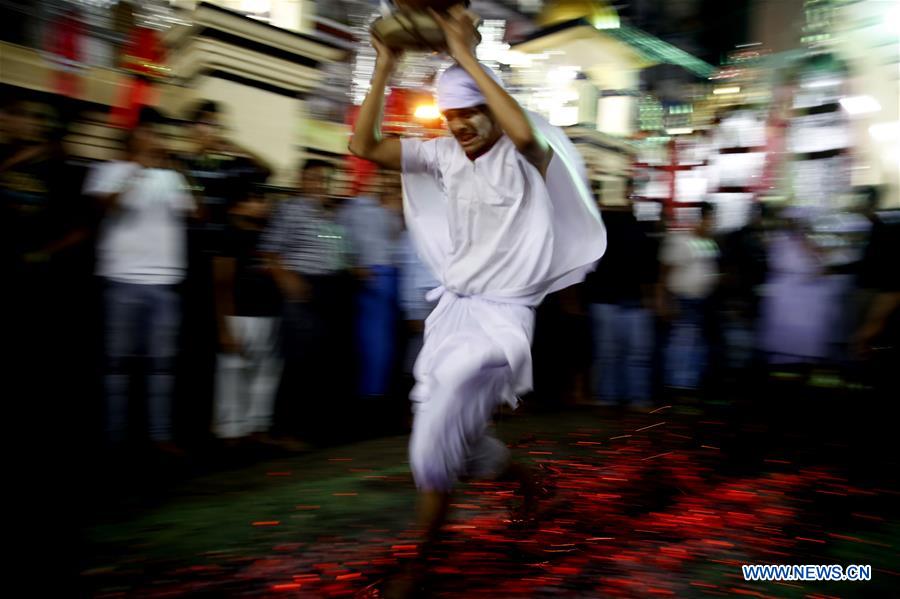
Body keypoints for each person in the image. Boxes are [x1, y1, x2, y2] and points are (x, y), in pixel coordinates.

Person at [349, 5, 606, 592]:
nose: (460, 126)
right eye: (450, 116)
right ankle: (524, 479)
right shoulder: (441, 153)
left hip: (500, 323)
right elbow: (364, 146)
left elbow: (521, 130)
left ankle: (422, 565)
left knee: (434, 435)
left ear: (490, 108)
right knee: (457, 442)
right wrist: (384, 65)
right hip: (452, 312)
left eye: (470, 114)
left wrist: (464, 54)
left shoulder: (523, 153)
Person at [84, 107, 196, 451]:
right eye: (150, 133)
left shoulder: (170, 177)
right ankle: (115, 437)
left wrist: (174, 171)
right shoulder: (108, 170)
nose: (156, 139)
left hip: (164, 284)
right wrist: (136, 172)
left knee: (161, 366)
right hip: (122, 281)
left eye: (159, 134)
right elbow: (106, 207)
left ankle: (159, 435)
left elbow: (195, 212)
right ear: (135, 136)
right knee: (117, 364)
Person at [261, 159, 355, 444]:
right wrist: (286, 278)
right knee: (297, 363)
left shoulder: (328, 216)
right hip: (301, 289)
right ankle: (282, 430)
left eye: (324, 180)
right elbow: (269, 251)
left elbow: (339, 255)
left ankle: (308, 428)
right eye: (313, 179)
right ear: (301, 180)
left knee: (317, 364)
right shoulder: (290, 210)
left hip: (327, 292)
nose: (319, 184)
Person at [211, 187, 283, 443]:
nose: (261, 204)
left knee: (265, 374)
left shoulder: (267, 235)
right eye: (253, 199)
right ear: (236, 206)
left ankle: (256, 427)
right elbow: (222, 283)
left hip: (268, 314)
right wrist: (224, 327)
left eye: (261, 199)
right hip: (239, 316)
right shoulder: (229, 236)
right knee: (233, 374)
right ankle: (230, 431)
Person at [585, 179, 655, 407]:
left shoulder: (599, 224)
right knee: (630, 354)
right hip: (621, 298)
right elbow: (647, 265)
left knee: (611, 353)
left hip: (610, 297)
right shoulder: (638, 225)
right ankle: (631, 398)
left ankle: (611, 397)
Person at [339, 169, 403, 398]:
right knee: (372, 338)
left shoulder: (393, 210)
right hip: (367, 275)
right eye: (383, 178)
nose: (386, 184)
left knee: (385, 340)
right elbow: (336, 237)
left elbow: (398, 241)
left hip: (392, 275)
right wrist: (351, 264)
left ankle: (377, 392)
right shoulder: (355, 208)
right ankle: (369, 392)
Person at [657, 201, 719, 393]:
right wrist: (663, 301)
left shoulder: (708, 242)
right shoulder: (681, 241)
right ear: (699, 219)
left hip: (702, 301)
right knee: (682, 343)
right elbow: (665, 272)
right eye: (709, 219)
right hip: (683, 300)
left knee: (695, 345)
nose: (711, 224)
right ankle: (677, 387)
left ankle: (688, 386)